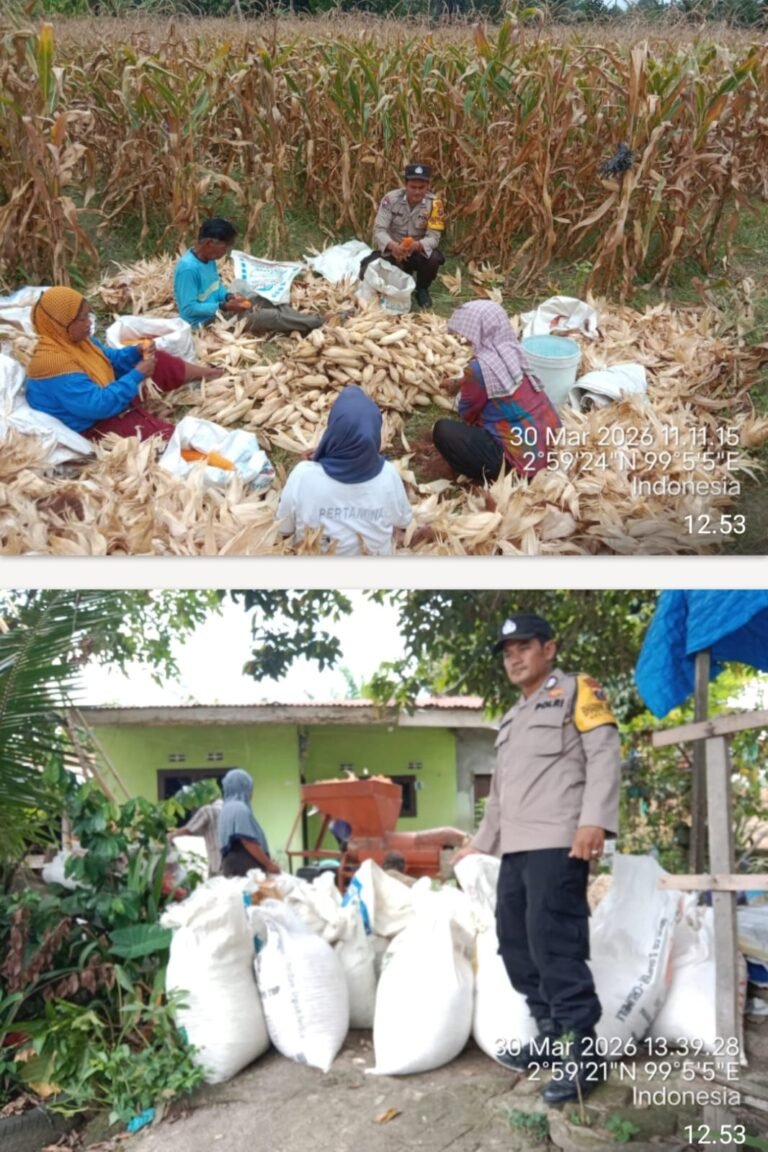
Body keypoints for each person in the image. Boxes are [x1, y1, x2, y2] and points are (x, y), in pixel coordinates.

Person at [452, 612, 620, 1105]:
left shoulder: (577, 690)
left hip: (560, 841)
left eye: (523, 647)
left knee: (554, 942)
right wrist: (481, 842)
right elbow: (500, 795)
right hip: (517, 850)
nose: (514, 658)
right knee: (514, 939)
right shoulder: (511, 718)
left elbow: (604, 754)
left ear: (549, 648)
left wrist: (595, 821)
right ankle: (550, 1032)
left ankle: (582, 1050)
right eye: (507, 652)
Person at [25, 287, 223, 442]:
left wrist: (135, 351)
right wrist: (137, 374)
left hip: (103, 398)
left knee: (159, 361)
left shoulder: (75, 340)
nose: (88, 323)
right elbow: (98, 406)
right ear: (61, 323)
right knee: (156, 437)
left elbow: (110, 360)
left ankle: (210, 373)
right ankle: (154, 420)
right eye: (81, 319)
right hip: (90, 424)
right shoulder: (54, 365)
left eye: (88, 315)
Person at [426, 301, 561, 484]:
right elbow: (503, 381)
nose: (465, 338)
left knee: (443, 431)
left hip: (523, 461)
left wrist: (466, 386)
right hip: (552, 446)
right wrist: (460, 383)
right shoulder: (514, 350)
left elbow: (467, 414)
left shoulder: (478, 369)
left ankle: (504, 475)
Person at [277, 386, 413, 556]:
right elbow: (403, 521)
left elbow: (283, 529)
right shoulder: (388, 475)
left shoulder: (303, 475)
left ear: (333, 430)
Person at [174, 217, 325, 336]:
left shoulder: (208, 259)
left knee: (264, 299)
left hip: (220, 310)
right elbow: (188, 309)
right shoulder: (188, 269)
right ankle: (319, 322)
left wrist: (228, 296)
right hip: (205, 323)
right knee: (268, 317)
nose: (226, 251)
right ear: (209, 243)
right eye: (224, 246)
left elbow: (215, 288)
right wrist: (223, 306)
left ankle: (303, 320)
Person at [359, 163, 445, 310]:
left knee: (433, 259)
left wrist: (416, 246)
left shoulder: (435, 204)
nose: (417, 192)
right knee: (366, 269)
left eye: (421, 188)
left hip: (415, 251)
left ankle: (422, 289)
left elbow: (434, 237)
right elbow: (379, 230)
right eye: (413, 187)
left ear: (427, 186)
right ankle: (394, 280)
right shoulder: (391, 199)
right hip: (392, 250)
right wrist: (393, 246)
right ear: (405, 185)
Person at [218, 768, 280, 878]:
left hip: (231, 865)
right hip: (244, 866)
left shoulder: (226, 808)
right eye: (250, 788)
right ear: (243, 787)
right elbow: (247, 841)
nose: (252, 792)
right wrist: (269, 865)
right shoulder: (239, 808)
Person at [168, 795, 224, 876]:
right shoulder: (233, 811)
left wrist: (170, 836)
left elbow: (189, 829)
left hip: (217, 865)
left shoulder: (208, 810)